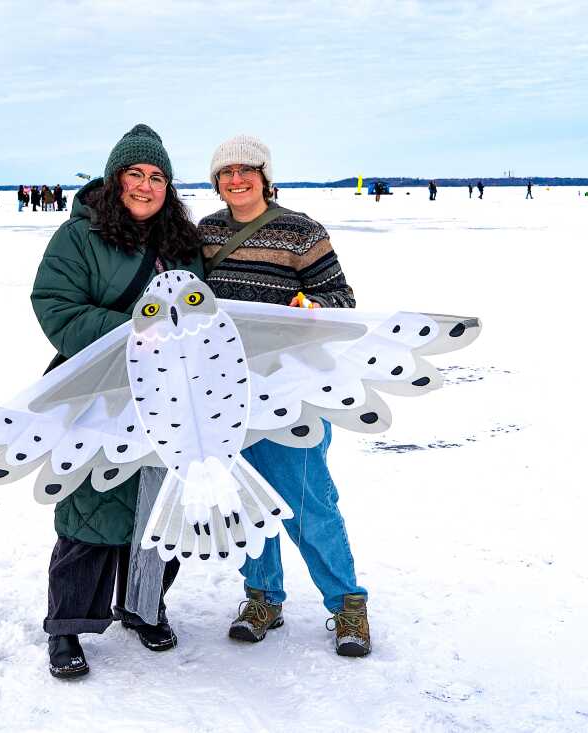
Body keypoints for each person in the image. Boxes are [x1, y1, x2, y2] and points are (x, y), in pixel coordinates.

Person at [31, 124, 203, 679]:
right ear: (115, 179)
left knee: (158, 507)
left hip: (168, 393)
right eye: (136, 173)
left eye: (157, 177)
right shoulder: (79, 236)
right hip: (98, 390)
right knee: (90, 506)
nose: (146, 186)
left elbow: (199, 310)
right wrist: (136, 330)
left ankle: (144, 607)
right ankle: (67, 628)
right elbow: (55, 305)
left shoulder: (181, 240)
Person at [197, 134, 369, 658]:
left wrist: (309, 303)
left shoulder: (301, 231)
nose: (237, 179)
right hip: (225, 389)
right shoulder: (205, 233)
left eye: (247, 170)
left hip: (292, 388)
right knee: (249, 501)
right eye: (226, 172)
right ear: (216, 182)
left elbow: (342, 299)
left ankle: (347, 607)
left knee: (308, 499)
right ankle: (262, 599)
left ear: (265, 176)